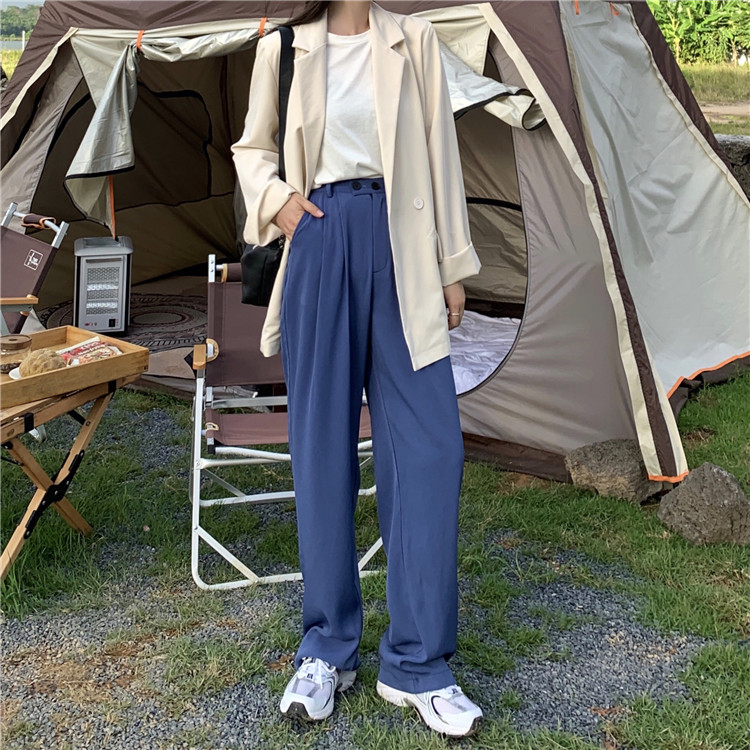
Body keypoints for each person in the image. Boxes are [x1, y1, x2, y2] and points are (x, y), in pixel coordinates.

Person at [231, 0, 483, 738]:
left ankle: (418, 663)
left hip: (404, 248)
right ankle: (326, 648)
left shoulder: (415, 40)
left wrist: (452, 265)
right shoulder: (283, 47)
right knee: (322, 450)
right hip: (318, 239)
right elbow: (251, 149)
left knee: (431, 450)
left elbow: (442, 156)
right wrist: (278, 202)